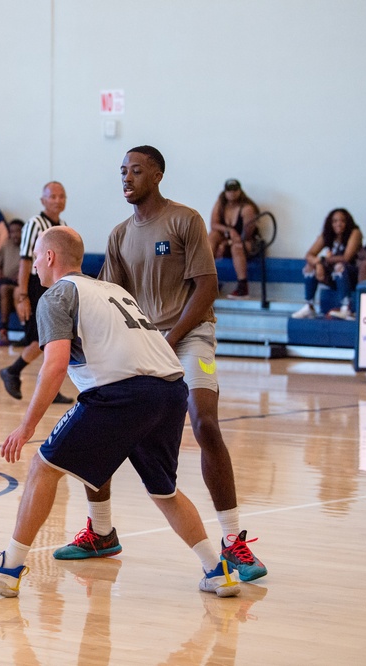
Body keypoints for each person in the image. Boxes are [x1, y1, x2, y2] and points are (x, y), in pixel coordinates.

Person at [0, 227, 241, 599]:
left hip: (121, 393)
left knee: (44, 468)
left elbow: (55, 365)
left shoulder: (57, 295)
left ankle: (9, 567)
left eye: (37, 257)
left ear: (49, 258)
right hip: (171, 389)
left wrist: (26, 427)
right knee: (164, 490)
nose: (33, 268)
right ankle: (218, 570)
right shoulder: (112, 290)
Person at [59, 146, 266, 582]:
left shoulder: (185, 220)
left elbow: (207, 288)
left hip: (190, 338)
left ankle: (234, 542)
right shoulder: (118, 235)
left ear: (157, 174)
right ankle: (100, 532)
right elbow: (106, 297)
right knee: (98, 419)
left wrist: (168, 341)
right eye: (122, 171)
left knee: (205, 422)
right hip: (144, 343)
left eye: (136, 170)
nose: (126, 178)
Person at [0, 182, 72, 405]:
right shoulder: (34, 224)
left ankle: (48, 387)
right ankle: (12, 370)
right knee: (41, 339)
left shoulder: (63, 226)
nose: (57, 200)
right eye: (52, 197)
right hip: (35, 284)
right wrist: (22, 296)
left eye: (61, 196)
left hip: (54, 286)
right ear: (43, 200)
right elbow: (25, 260)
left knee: (53, 339)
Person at [291, 208, 364, 320]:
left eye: (342, 221)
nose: (338, 224)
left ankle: (346, 308)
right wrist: (318, 263)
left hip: (352, 274)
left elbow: (346, 258)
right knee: (310, 267)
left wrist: (322, 261)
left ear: (348, 222)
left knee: (339, 266)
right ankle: (309, 306)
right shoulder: (327, 234)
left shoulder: (355, 233)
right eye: (334, 221)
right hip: (334, 275)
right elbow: (309, 254)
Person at [208, 179, 261, 299]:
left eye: (234, 191)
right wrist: (229, 231)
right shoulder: (220, 204)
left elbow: (246, 236)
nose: (232, 194)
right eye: (229, 191)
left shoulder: (247, 209)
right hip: (227, 241)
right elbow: (213, 224)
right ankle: (208, 281)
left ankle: (243, 286)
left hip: (246, 244)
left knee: (237, 247)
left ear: (240, 191)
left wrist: (227, 242)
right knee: (212, 236)